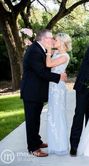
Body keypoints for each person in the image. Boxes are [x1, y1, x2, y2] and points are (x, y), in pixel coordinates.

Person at [20, 29, 67, 157]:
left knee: (35, 119)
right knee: (32, 120)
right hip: (31, 92)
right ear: (43, 39)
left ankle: (37, 141)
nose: (52, 40)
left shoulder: (39, 49)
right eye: (50, 38)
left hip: (36, 91)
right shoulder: (35, 51)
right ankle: (33, 148)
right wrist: (59, 77)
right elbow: (41, 72)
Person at [45, 33, 71, 155]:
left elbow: (49, 64)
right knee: (53, 115)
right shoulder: (56, 54)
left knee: (58, 114)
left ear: (61, 41)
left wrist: (48, 51)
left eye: (55, 39)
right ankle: (54, 144)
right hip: (52, 86)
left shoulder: (65, 56)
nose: (53, 41)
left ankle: (61, 146)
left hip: (58, 88)